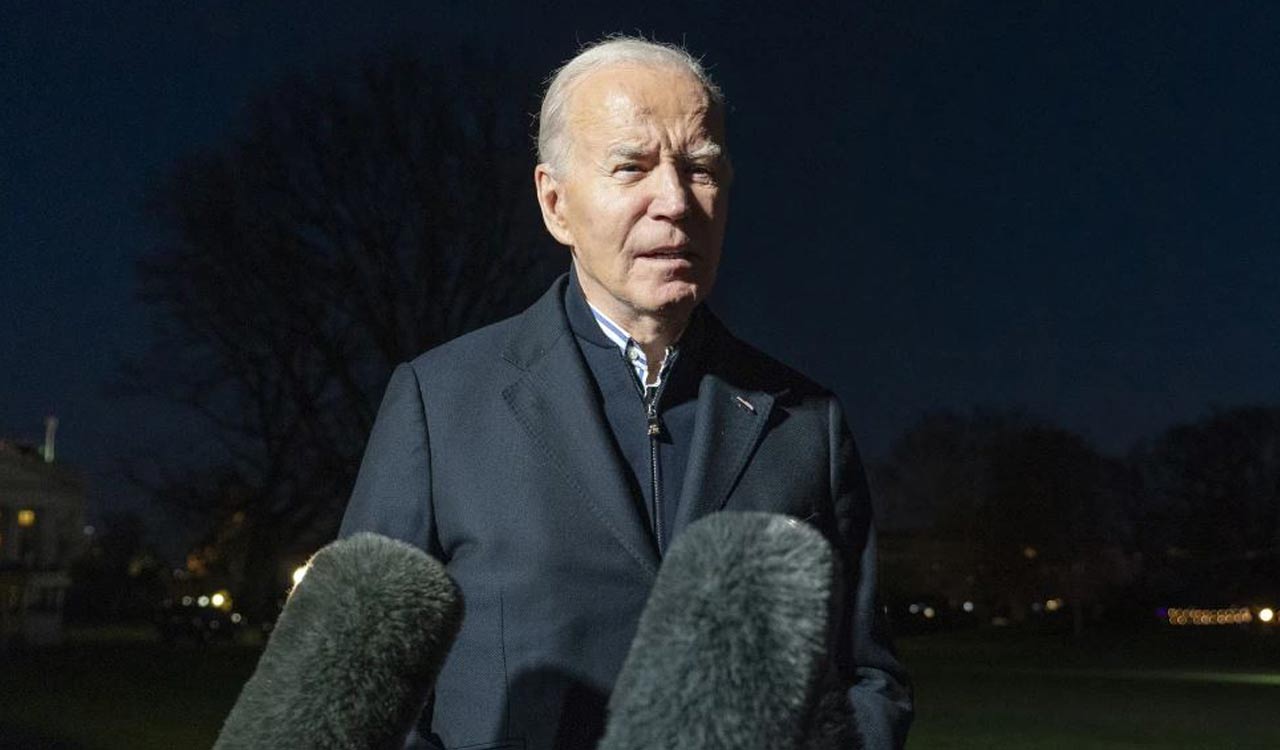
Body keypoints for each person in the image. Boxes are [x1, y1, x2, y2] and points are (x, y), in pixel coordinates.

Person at [339, 36, 913, 750]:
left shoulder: (805, 422)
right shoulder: (439, 402)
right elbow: (359, 692)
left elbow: (867, 680)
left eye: (700, 169)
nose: (674, 201)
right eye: (632, 167)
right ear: (555, 203)